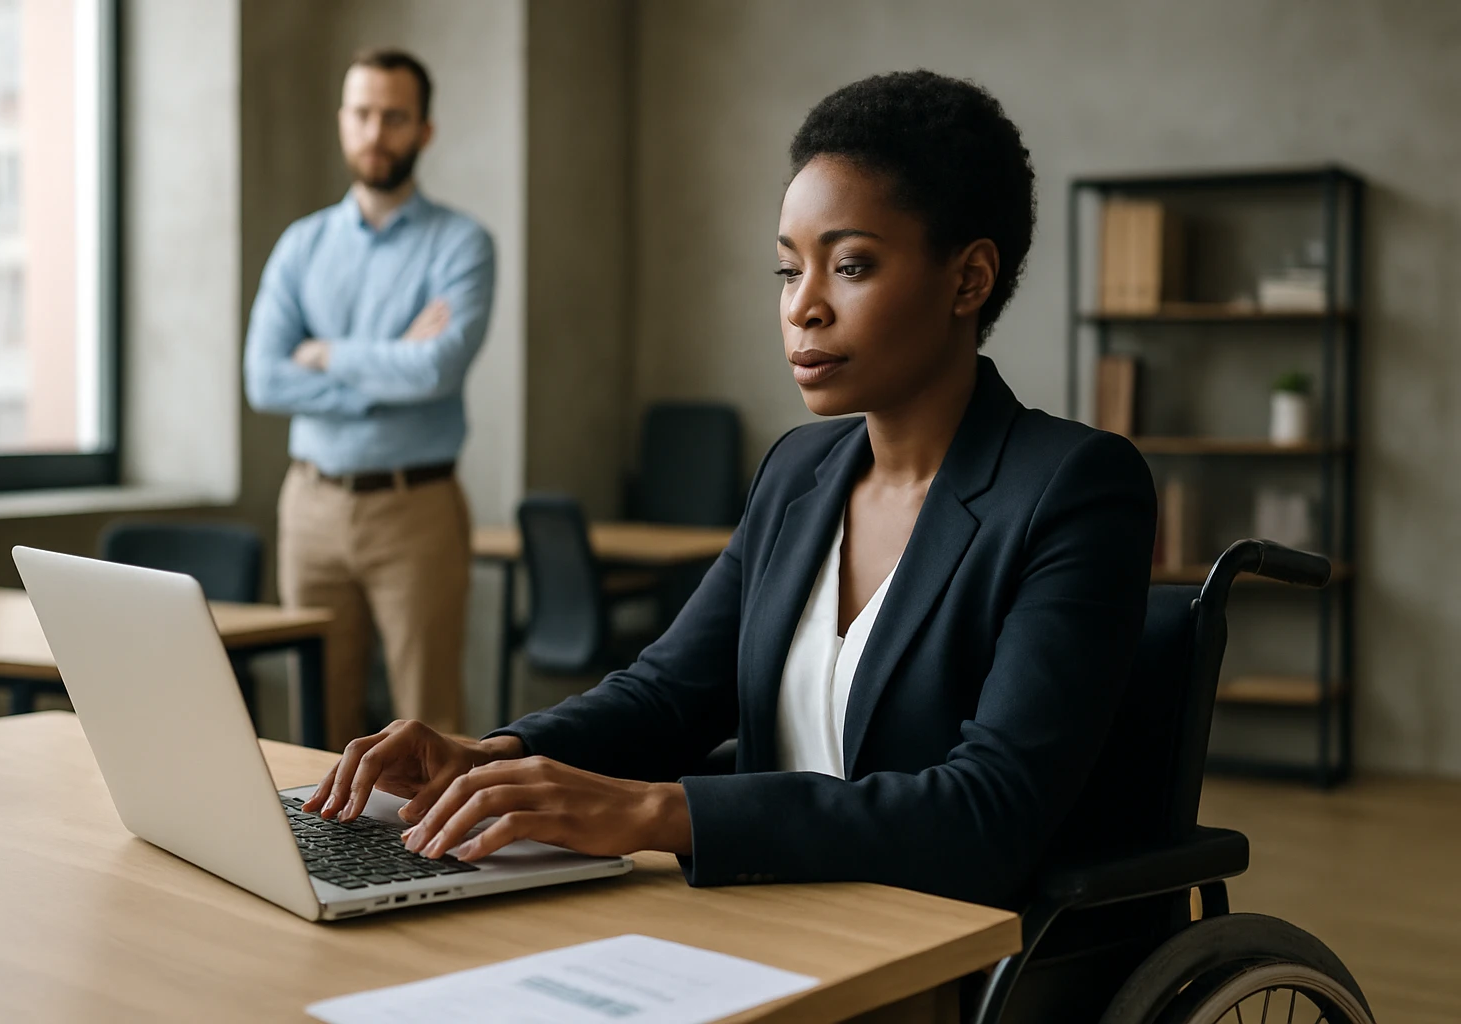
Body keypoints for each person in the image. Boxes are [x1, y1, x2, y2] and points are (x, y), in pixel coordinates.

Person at [303, 71, 1156, 909]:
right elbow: (668, 693)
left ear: (968, 279)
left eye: (850, 266)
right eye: (789, 272)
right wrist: (489, 757)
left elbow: (989, 815)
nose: (803, 308)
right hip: (760, 920)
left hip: (935, 950)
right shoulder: (799, 471)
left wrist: (654, 810)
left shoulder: (1073, 488)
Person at [244, 49, 495, 751]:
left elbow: (435, 371)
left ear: (424, 130)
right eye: (362, 114)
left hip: (415, 512)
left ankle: (443, 858)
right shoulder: (302, 246)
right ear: (341, 122)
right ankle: (322, 860)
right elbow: (264, 379)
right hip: (310, 507)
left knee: (431, 722)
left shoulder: (463, 244)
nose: (375, 132)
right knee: (315, 723)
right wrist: (387, 364)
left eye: (394, 117)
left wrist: (326, 353)